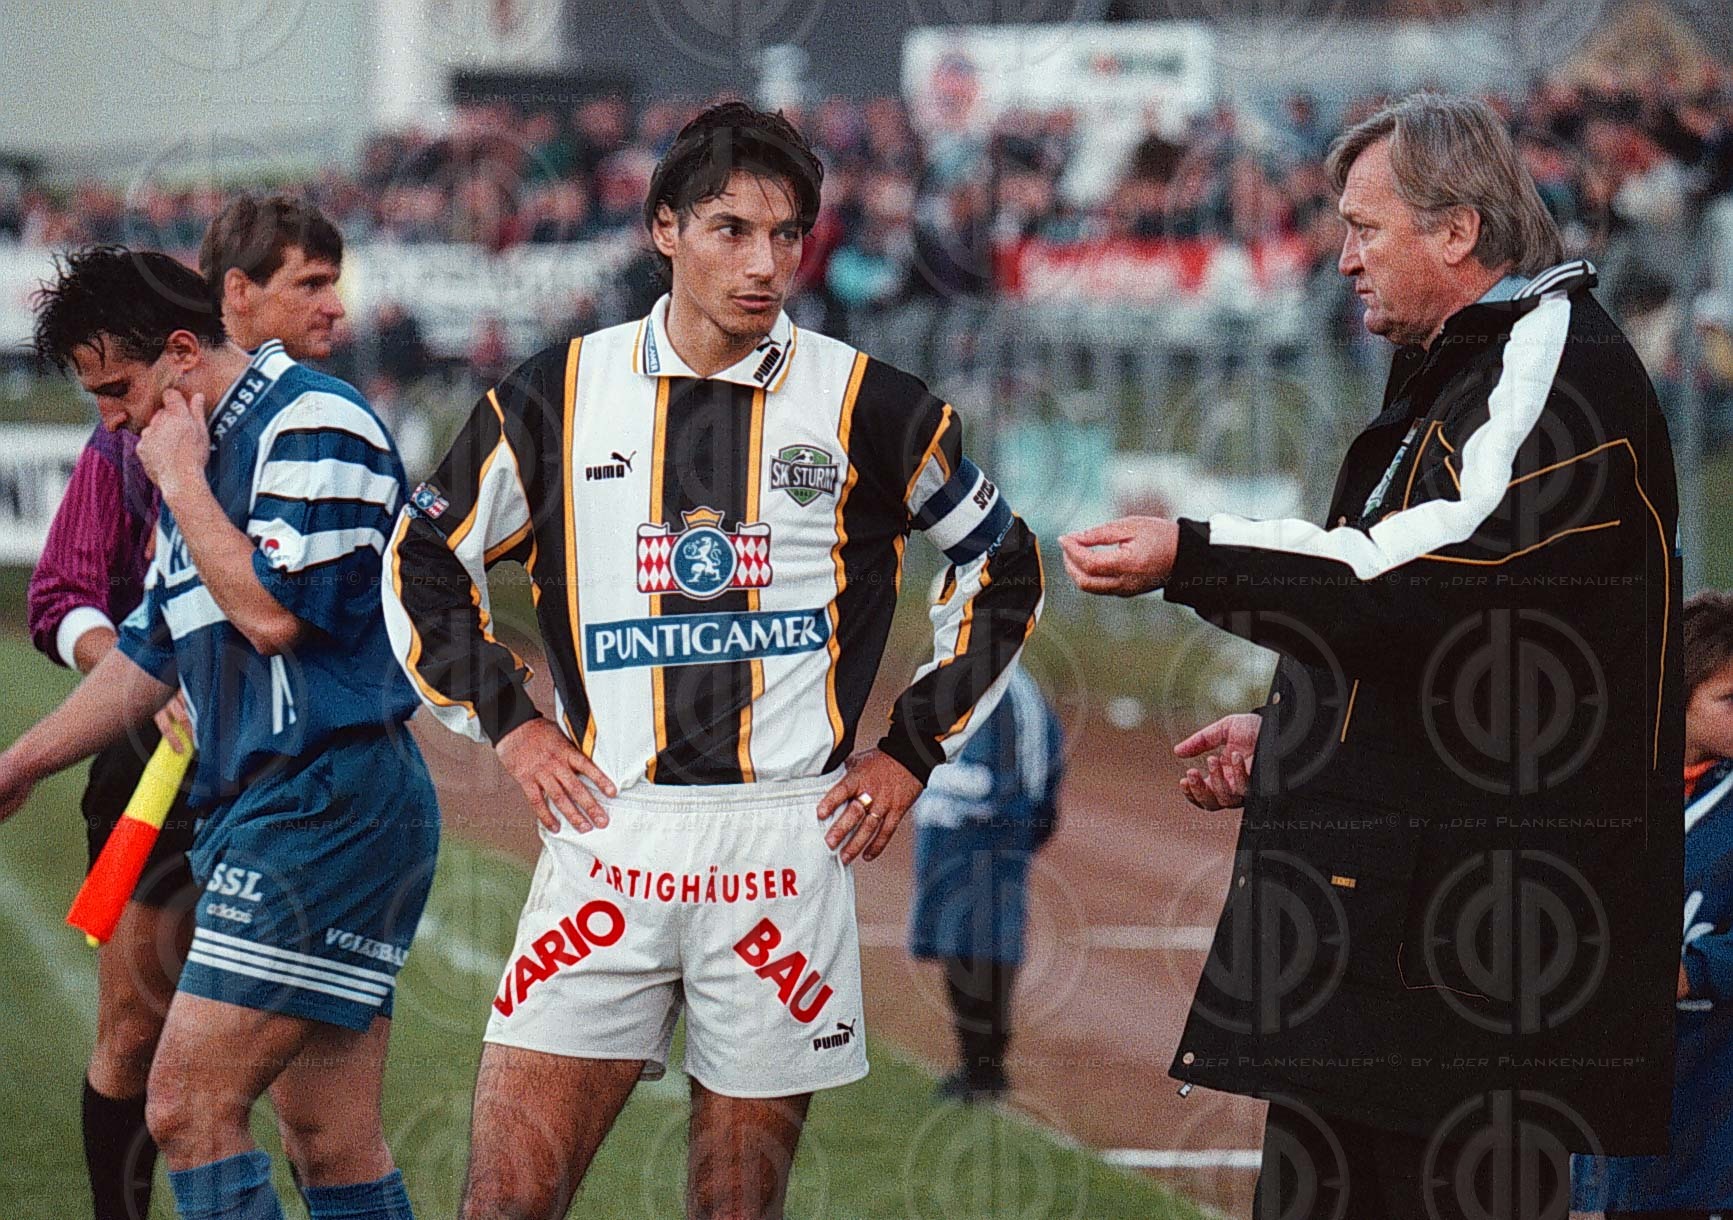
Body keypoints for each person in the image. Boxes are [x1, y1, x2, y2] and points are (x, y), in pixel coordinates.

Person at [382, 101, 1043, 1220]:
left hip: (781, 847)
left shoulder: (868, 403)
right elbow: (421, 557)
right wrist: (514, 724)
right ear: (664, 229)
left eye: (786, 236)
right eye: (731, 230)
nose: (764, 264)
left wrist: (909, 751)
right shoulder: (552, 395)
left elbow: (1003, 561)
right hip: (610, 834)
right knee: (502, 1202)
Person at [1061, 92, 1682, 1219]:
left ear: (1456, 231)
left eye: (1363, 228)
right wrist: (1299, 734)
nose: (1340, 259)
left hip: (1483, 963)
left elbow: (1421, 577)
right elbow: (1449, 642)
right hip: (1400, 938)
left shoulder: (1549, 360)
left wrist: (1193, 552)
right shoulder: (1463, 361)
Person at [1, 246, 436, 1220]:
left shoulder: (311, 424)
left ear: (185, 350)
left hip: (325, 806)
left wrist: (184, 484)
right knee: (330, 1140)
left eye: (118, 388)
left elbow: (273, 614)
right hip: (266, 808)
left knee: (186, 1105)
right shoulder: (188, 453)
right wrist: (22, 762)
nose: (110, 420)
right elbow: (148, 653)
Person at [1571, 590, 1733, 1219]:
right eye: (1729, 699)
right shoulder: (1605, 795)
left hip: (1709, 1134)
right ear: (1675, 695)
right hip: (1612, 1141)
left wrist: (1695, 968)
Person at [907, 661, 1062, 1103]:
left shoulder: (1011, 692)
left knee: (984, 950)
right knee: (957, 949)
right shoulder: (950, 681)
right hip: (950, 841)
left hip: (990, 842)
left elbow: (1023, 782)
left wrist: (923, 777)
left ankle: (985, 1068)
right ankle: (974, 1065)